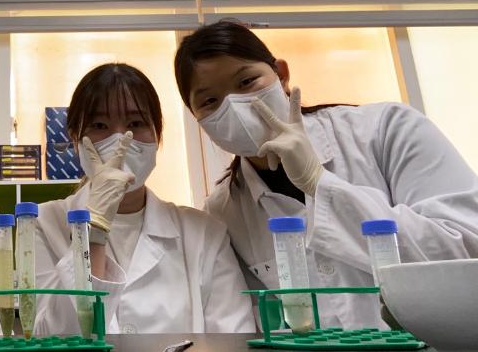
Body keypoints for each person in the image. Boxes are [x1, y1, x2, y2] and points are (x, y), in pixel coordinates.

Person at [174, 20, 478, 330]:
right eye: (209, 101)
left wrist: (320, 183)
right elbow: (261, 324)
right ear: (197, 118)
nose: (233, 106)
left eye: (246, 81)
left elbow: (466, 248)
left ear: (281, 74)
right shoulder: (223, 212)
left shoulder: (388, 130)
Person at [34, 63, 254, 335]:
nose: (120, 140)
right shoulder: (43, 223)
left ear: (157, 136)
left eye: (135, 124)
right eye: (100, 125)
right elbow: (54, 336)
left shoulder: (204, 233)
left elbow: (232, 338)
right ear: (75, 139)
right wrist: (93, 232)